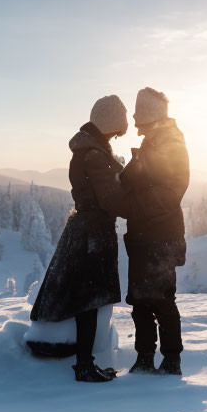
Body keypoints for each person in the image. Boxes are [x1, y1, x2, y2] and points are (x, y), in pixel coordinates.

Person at [29, 95, 130, 382]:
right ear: (110, 119)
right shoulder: (95, 153)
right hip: (92, 232)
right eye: (121, 117)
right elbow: (110, 199)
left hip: (87, 229)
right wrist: (140, 208)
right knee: (88, 299)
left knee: (88, 298)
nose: (125, 122)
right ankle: (84, 366)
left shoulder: (93, 149)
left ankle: (85, 363)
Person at [120, 87, 190, 376]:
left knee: (161, 300)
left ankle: (171, 360)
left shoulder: (171, 143)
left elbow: (170, 192)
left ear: (149, 116)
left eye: (139, 114)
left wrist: (133, 202)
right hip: (143, 236)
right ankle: (145, 358)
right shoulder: (152, 141)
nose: (135, 121)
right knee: (140, 301)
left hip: (160, 238)